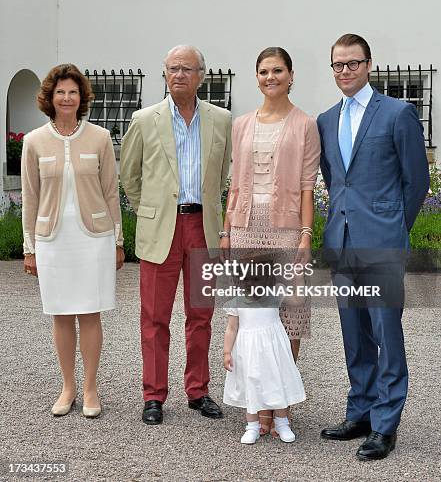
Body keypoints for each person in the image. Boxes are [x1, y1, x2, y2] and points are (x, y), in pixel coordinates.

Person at [317, 34, 430, 461]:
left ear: (368, 65)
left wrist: (393, 229)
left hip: (382, 241)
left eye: (353, 63)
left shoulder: (398, 113)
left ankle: (386, 424)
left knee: (385, 333)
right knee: (354, 334)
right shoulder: (326, 119)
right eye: (338, 65)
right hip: (342, 240)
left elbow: (415, 180)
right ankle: (360, 411)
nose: (345, 71)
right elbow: (335, 178)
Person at [120, 45, 232, 425]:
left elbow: (220, 179)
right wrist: (150, 210)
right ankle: (153, 395)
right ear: (164, 74)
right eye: (173, 68)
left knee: (201, 314)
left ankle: (197, 391)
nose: (179, 75)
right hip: (161, 229)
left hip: (203, 227)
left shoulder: (221, 120)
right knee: (154, 316)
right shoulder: (144, 119)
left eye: (187, 68)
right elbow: (129, 177)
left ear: (202, 74)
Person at [220, 46, 320, 433]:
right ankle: (255, 403)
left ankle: (280, 404)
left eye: (278, 70)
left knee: (290, 315)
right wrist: (227, 230)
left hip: (287, 227)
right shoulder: (241, 123)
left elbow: (307, 186)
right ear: (256, 77)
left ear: (291, 75)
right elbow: (235, 182)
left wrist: (306, 235)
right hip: (246, 226)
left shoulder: (305, 124)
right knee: (250, 315)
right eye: (263, 71)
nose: (270, 77)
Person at [21, 63, 125, 418]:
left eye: (73, 92)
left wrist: (117, 241)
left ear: (82, 98)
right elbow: (30, 197)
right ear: (50, 98)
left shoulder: (98, 137)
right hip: (52, 239)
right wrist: (30, 247)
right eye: (60, 92)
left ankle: (91, 388)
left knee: (90, 312)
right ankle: (67, 387)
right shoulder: (34, 141)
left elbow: (112, 192)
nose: (66, 98)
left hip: (94, 237)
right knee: (61, 315)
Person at [223, 270, 306, 445]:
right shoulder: (237, 300)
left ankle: (282, 423)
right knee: (251, 385)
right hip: (249, 352)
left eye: (257, 280)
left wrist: (298, 278)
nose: (252, 284)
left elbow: (298, 300)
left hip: (273, 350)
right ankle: (252, 425)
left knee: (277, 382)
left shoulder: (275, 293)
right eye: (247, 280)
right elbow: (231, 328)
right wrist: (227, 352)